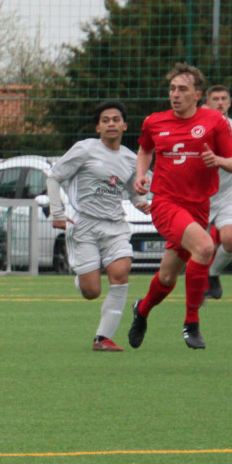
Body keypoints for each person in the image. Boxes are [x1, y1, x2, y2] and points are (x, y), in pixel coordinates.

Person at [128, 64, 232, 350]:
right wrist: (142, 175)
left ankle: (141, 310)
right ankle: (191, 322)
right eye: (172, 89)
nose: (175, 95)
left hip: (199, 207)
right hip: (166, 202)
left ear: (197, 95)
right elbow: (144, 149)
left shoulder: (215, 121)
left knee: (167, 276)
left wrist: (217, 160)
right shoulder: (154, 121)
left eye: (182, 89)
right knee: (204, 247)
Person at [46, 101, 151, 352]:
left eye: (116, 119)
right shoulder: (85, 149)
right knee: (92, 291)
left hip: (115, 226)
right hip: (86, 226)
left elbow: (133, 193)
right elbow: (54, 177)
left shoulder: (130, 158)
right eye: (105, 120)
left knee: (121, 272)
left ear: (125, 125)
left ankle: (102, 338)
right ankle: (83, 280)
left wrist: (143, 204)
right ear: (98, 127)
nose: (111, 124)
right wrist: (57, 213)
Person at [202, 85, 232, 300]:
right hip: (199, 196)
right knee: (193, 250)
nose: (220, 102)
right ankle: (194, 288)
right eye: (215, 99)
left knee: (231, 240)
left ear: (229, 102)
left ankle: (213, 275)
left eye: (224, 98)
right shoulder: (198, 127)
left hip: (227, 196)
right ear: (207, 103)